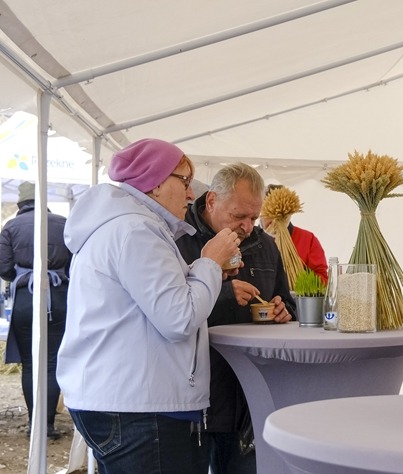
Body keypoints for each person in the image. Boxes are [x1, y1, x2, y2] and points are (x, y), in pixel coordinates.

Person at [56, 138, 241, 474]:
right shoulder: (135, 230)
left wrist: (205, 272)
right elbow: (179, 318)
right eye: (185, 182)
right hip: (141, 409)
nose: (191, 194)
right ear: (155, 183)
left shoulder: (126, 225)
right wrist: (209, 263)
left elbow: (155, 299)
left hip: (128, 399)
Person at [176, 163, 296, 474]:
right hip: (192, 398)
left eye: (253, 217)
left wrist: (284, 310)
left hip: (248, 398)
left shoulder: (265, 245)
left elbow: (287, 300)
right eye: (238, 216)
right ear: (212, 201)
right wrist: (224, 292)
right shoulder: (178, 240)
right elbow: (171, 312)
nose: (246, 226)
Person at [0, 181, 71, 440]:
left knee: (31, 365)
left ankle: (34, 424)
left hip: (25, 298)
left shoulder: (10, 227)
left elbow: (4, 267)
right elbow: (75, 265)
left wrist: (23, 275)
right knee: (52, 363)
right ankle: (49, 425)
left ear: (21, 204)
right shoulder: (64, 223)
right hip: (60, 297)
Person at [260, 184, 328, 282]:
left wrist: (297, 276)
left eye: (281, 216)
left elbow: (323, 279)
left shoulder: (308, 239)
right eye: (269, 214)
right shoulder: (249, 240)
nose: (275, 221)